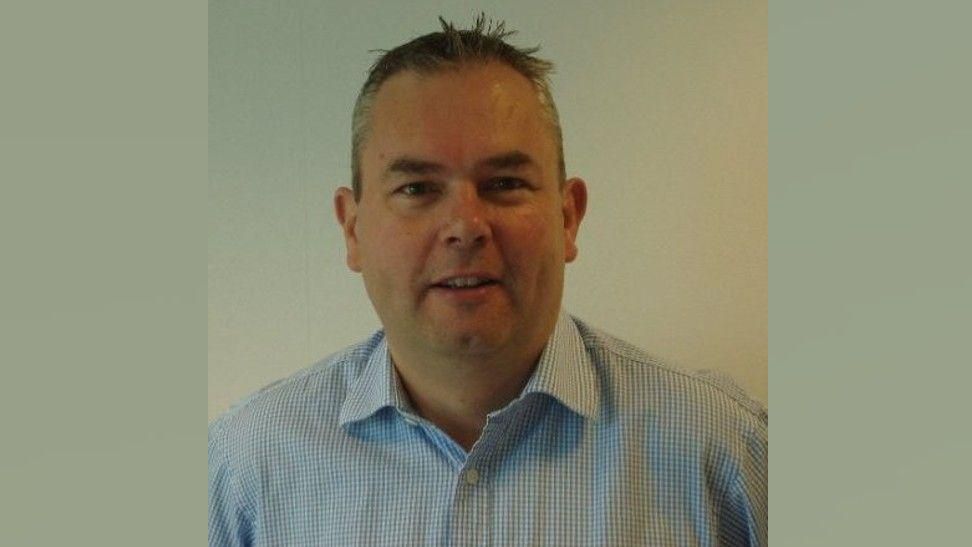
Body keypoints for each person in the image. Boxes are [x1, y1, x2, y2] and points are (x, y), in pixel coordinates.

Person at [209, 16, 766, 546]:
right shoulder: (247, 472)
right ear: (353, 229)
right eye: (417, 189)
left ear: (568, 216)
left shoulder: (723, 452)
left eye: (504, 182)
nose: (466, 227)